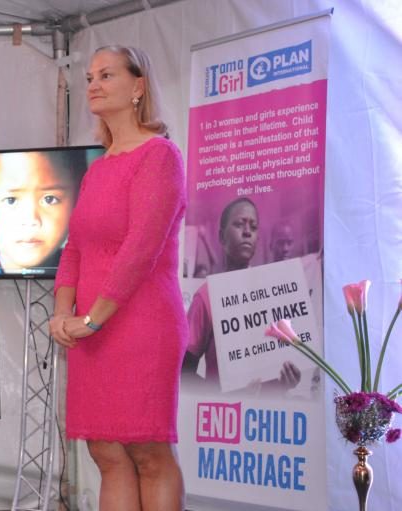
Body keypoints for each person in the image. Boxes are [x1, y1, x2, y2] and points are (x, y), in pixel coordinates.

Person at [49, 45, 186, 511]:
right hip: (92, 325)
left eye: (106, 75)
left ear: (138, 87)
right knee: (104, 449)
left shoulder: (159, 156)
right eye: (89, 77)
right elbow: (75, 249)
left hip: (140, 324)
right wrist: (63, 314)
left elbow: (140, 251)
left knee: (147, 449)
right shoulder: (99, 167)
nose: (92, 85)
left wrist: (92, 319)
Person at [182, 197, 301, 391]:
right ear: (221, 237)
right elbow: (185, 371)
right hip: (227, 416)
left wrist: (288, 381)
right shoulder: (206, 296)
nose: (247, 232)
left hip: (270, 416)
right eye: (239, 224)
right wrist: (221, 395)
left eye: (253, 228)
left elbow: (283, 362)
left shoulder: (274, 292)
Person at [0, 151, 85, 273]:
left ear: (77, 200)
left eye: (49, 199)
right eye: (11, 200)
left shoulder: (85, 271)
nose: (31, 220)